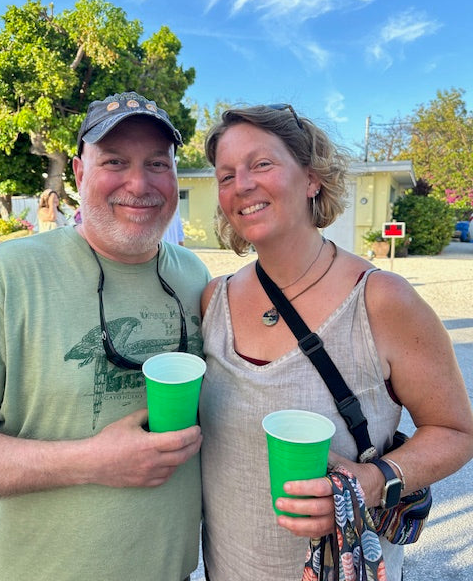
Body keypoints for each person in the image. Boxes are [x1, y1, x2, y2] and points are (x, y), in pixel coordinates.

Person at [199, 104, 473, 581]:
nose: (241, 184)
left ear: (312, 178)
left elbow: (456, 432)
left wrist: (370, 482)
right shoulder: (213, 301)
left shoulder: (381, 300)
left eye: (261, 164)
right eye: (226, 175)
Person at [0, 91, 211, 581]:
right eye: (115, 161)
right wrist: (89, 462)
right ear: (78, 172)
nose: (140, 183)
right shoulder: (6, 276)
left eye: (158, 163)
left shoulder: (194, 275)